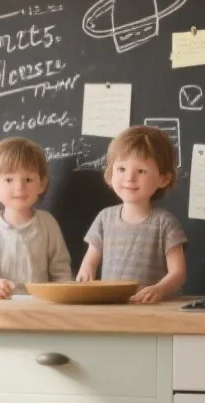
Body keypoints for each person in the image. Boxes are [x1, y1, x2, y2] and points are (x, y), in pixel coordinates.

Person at [76, 125, 188, 304]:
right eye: (121, 169)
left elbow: (178, 273)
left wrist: (159, 289)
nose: (130, 178)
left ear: (163, 179)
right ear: (109, 174)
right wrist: (85, 272)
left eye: (141, 171)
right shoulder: (104, 219)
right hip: (113, 307)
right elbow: (90, 261)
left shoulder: (165, 223)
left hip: (151, 309)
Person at [0, 137, 72, 299]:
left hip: (40, 305)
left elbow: (61, 268)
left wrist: (63, 294)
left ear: (42, 184)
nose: (19, 187)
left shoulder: (47, 224)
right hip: (0, 303)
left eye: (28, 179)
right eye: (9, 180)